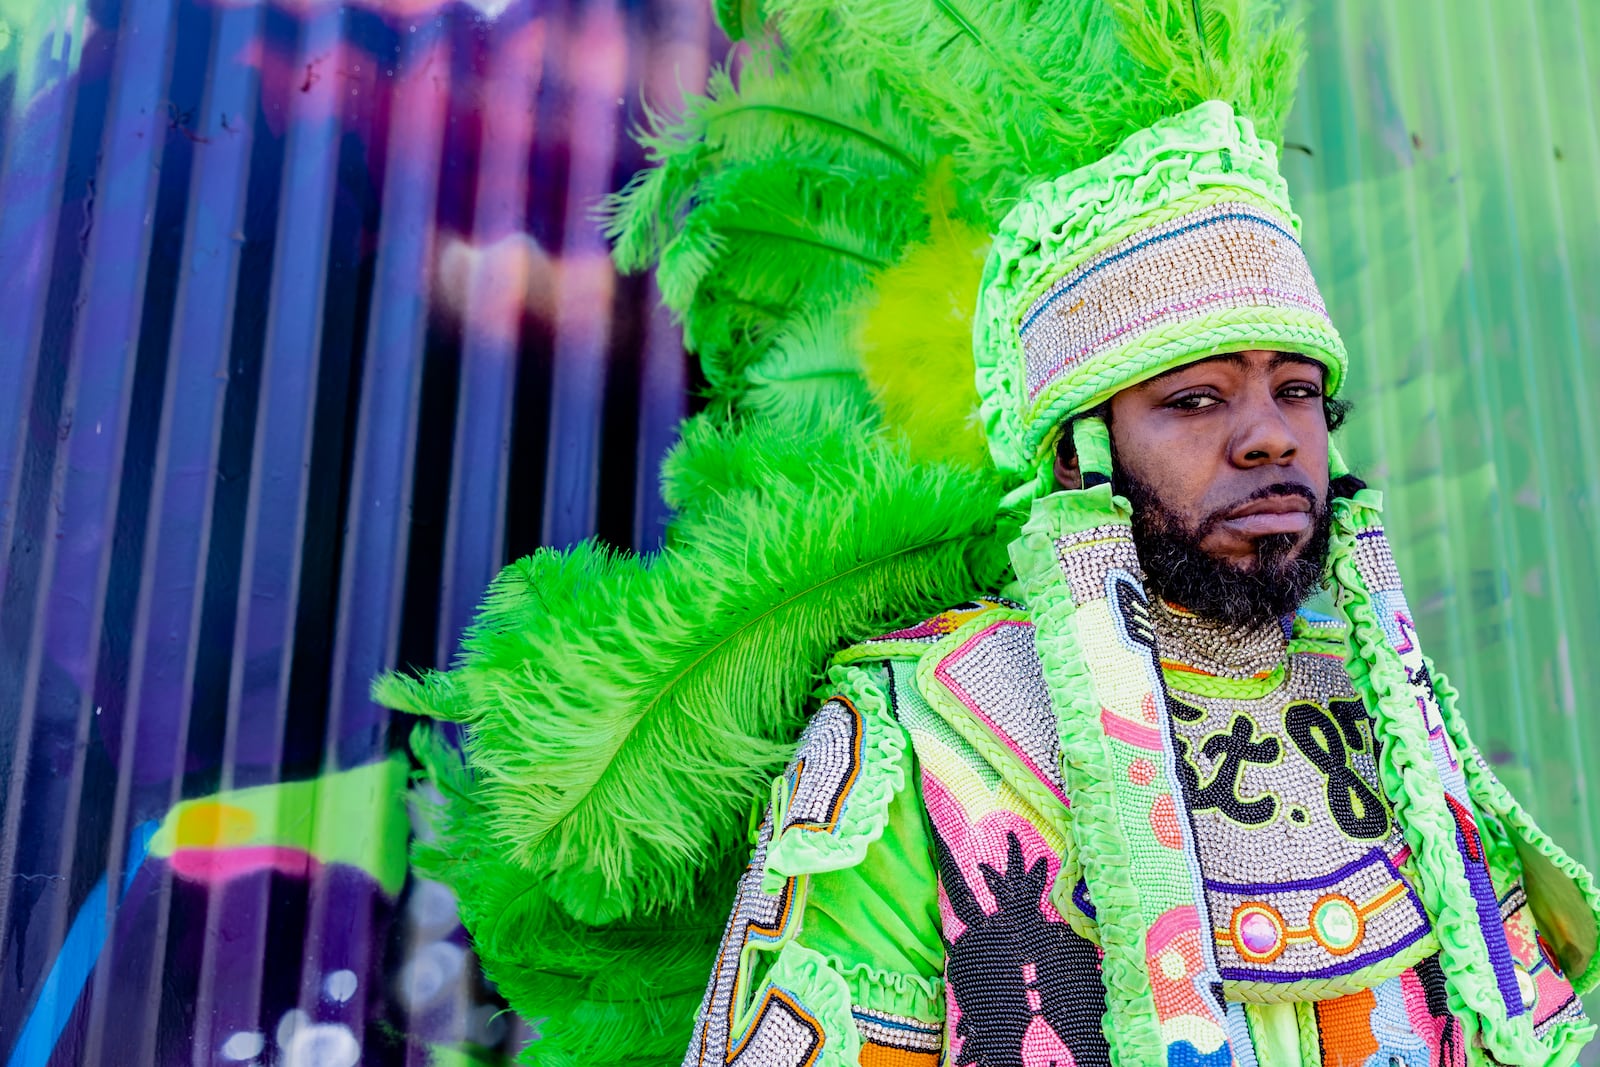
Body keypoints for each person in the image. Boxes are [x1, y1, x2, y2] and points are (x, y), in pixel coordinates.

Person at [376, 1, 1600, 1065]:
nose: (1271, 436)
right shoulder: (933, 727)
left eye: (1295, 389)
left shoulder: (1386, 703)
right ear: (1077, 447)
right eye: (1192, 398)